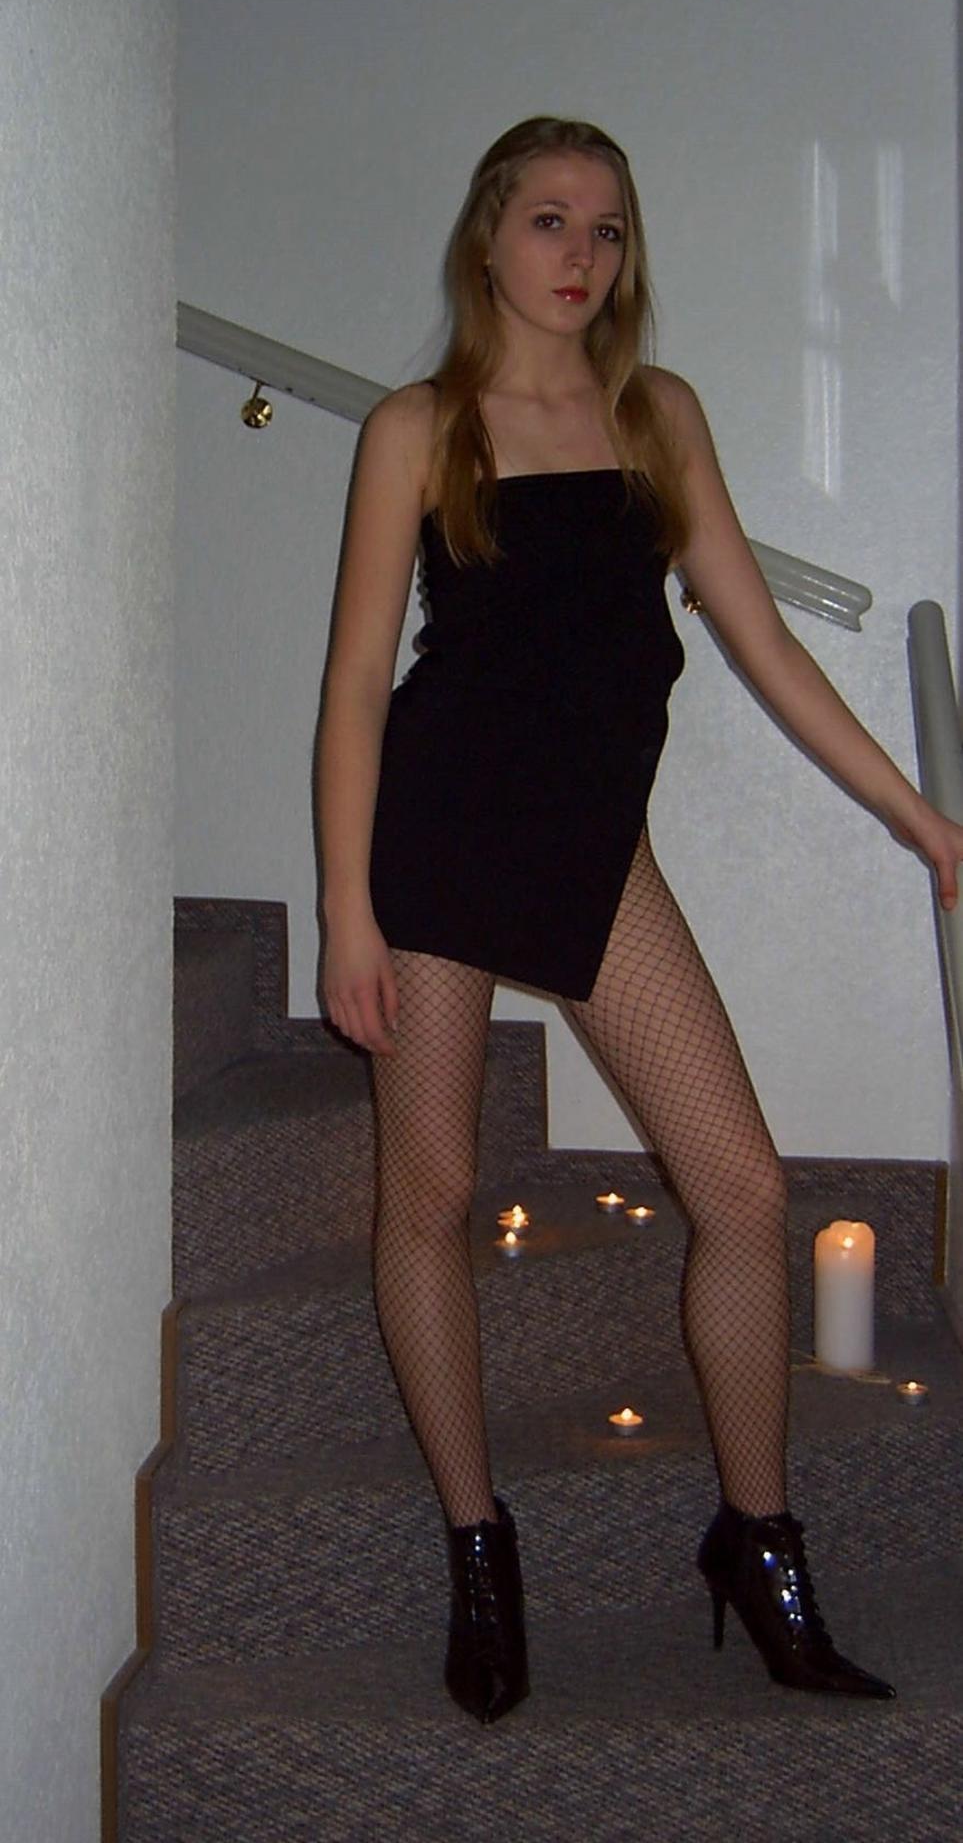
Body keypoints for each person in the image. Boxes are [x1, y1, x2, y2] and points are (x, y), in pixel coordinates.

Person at [316, 115, 963, 1726]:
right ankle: (479, 1545)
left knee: (744, 1189)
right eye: (549, 220)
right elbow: (356, 689)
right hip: (439, 844)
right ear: (488, 237)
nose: (581, 255)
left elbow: (763, 644)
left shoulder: (657, 416)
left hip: (598, 852)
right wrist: (346, 912)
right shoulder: (418, 427)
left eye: (606, 228)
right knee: (432, 1193)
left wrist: (920, 817)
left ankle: (758, 1541)